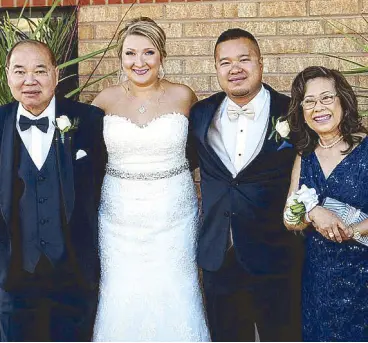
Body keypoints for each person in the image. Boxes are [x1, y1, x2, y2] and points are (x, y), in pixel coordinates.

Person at [92, 17, 210, 341]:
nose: (139, 62)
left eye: (148, 53)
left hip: (173, 213)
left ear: (162, 56)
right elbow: (87, 158)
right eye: (130, 54)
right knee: (120, 288)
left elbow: (199, 150)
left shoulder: (184, 96)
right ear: (121, 57)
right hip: (119, 216)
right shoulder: (104, 100)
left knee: (175, 286)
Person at [189, 28, 304, 342]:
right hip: (219, 258)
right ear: (216, 69)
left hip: (275, 256)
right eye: (225, 62)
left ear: (261, 62)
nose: (234, 68)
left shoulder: (292, 112)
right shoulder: (200, 114)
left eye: (244, 59)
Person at [0, 40, 107, 341]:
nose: (29, 80)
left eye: (40, 70)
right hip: (13, 280)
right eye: (20, 71)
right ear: (7, 75)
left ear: (56, 75)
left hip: (74, 278)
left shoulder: (89, 122)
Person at [284, 66, 368, 341]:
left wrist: (351, 231)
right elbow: (289, 217)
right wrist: (312, 213)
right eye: (309, 101)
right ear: (302, 111)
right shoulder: (304, 156)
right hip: (318, 281)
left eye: (326, 98)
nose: (318, 107)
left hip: (362, 277)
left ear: (343, 100)